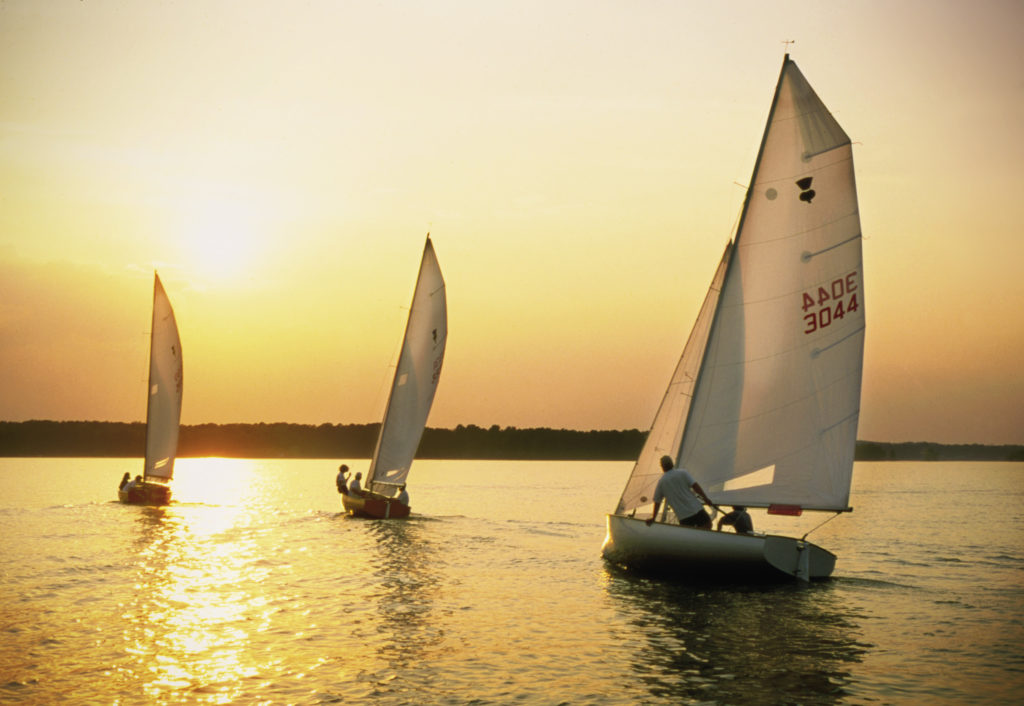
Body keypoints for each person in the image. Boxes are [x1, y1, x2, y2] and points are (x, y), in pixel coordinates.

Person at [646, 455, 716, 529]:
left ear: (662, 467)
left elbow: (657, 501)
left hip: (683, 517)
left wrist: (654, 517)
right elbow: (695, 486)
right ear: (672, 464)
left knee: (689, 534)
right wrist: (706, 499)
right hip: (696, 509)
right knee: (708, 526)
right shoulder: (683, 473)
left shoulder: (661, 482)